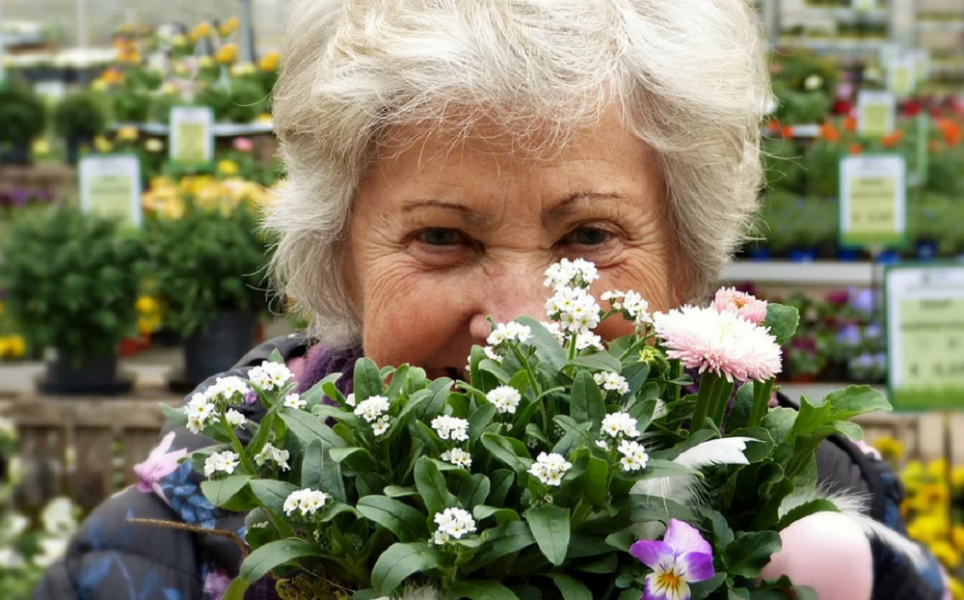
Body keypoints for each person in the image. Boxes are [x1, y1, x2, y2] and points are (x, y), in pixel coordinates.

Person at [34, 1, 948, 599]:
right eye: (443, 238)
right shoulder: (159, 551)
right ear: (340, 260)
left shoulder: (816, 513)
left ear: (688, 262)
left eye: (589, 238)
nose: (520, 325)